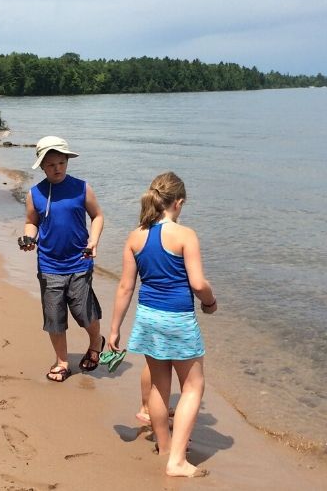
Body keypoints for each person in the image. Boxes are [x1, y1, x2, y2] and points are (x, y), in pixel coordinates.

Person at [108, 171, 217, 478]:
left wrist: (115, 329)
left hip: (147, 317)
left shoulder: (135, 236)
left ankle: (166, 446)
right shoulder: (185, 235)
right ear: (178, 203)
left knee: (159, 385)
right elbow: (197, 283)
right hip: (177, 319)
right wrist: (210, 301)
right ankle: (178, 461)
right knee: (193, 387)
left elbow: (125, 288)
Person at [21, 136, 105, 382]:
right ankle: (62, 361)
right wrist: (29, 238)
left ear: (67, 161)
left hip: (80, 261)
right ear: (42, 166)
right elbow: (31, 223)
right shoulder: (35, 194)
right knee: (54, 316)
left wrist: (94, 240)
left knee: (83, 310)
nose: (57, 168)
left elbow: (97, 216)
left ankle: (95, 343)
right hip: (48, 264)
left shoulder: (82, 188)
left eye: (61, 163)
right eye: (50, 165)